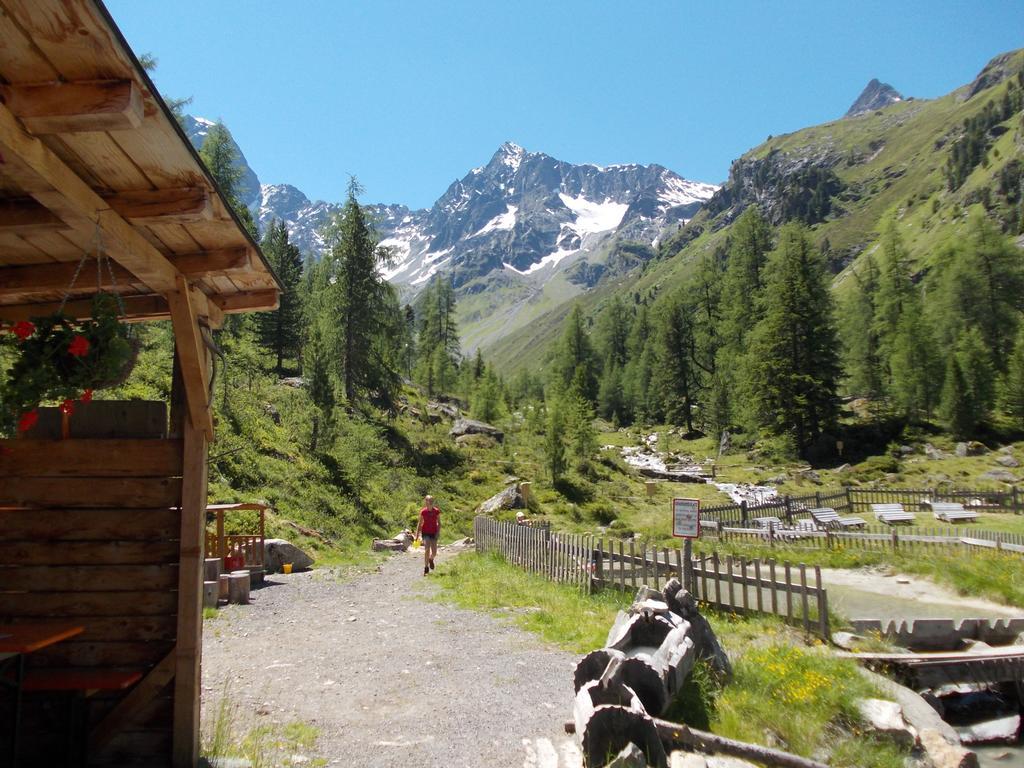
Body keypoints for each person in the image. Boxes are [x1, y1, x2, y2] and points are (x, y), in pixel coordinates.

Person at [416, 495, 441, 576]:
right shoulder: (423, 512)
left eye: (431, 500)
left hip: (434, 533)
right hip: (425, 532)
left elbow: (439, 523)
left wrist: (438, 532)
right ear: (425, 502)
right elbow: (419, 523)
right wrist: (417, 535)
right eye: (428, 500)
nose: (429, 502)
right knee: (427, 549)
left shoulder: (436, 511)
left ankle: (431, 559)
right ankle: (426, 568)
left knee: (434, 552)